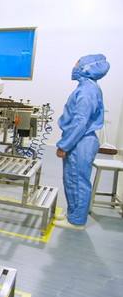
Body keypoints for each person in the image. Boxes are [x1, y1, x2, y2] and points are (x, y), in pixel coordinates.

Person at [56, 54, 110, 226]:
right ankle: (73, 214)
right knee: (73, 179)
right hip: (81, 140)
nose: (74, 66)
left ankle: (76, 221)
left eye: (77, 63)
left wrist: (64, 145)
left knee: (77, 181)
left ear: (87, 68)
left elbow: (80, 122)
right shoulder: (88, 87)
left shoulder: (87, 90)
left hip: (80, 141)